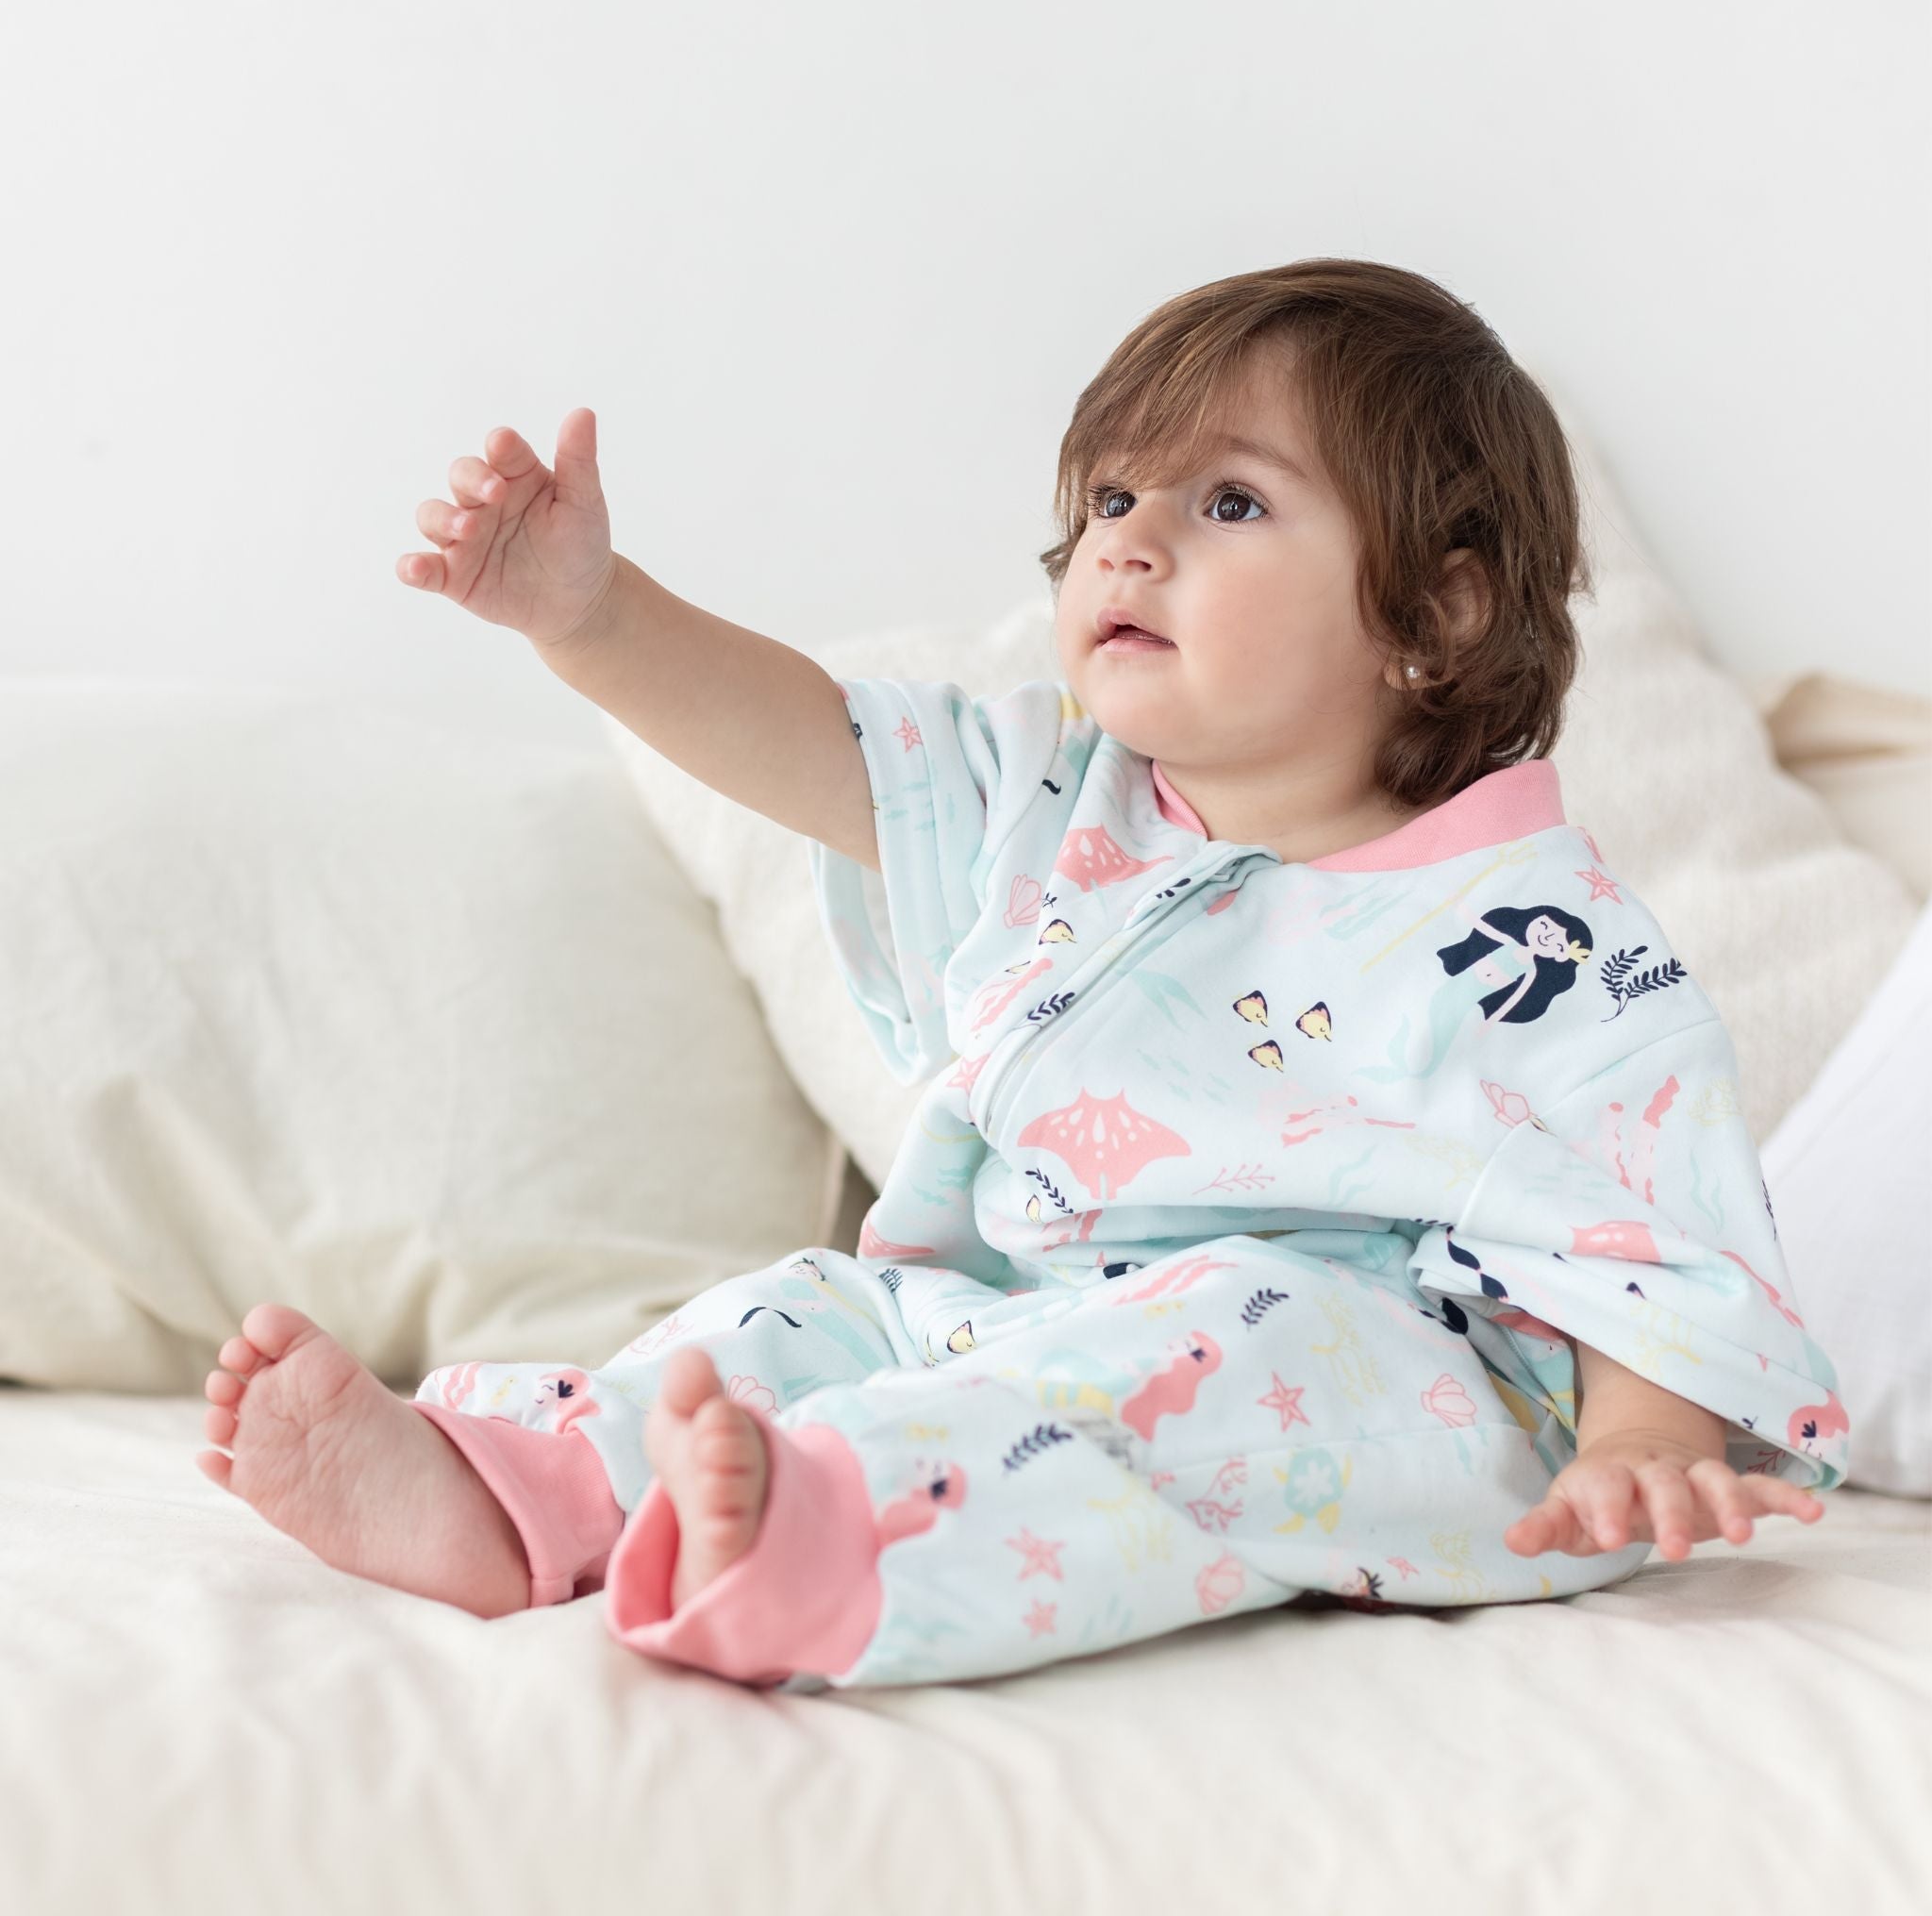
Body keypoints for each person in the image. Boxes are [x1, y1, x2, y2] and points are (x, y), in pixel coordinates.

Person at [195, 258, 1845, 1691]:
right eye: (1111, 502)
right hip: (1018, 1311)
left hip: (1376, 1382)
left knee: (1204, 1344)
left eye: (1229, 503)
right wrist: (591, 613)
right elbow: (805, 741)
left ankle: (827, 1540)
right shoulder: (1056, 804)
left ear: (1435, 607)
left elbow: (1638, 1211)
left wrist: (1645, 1444)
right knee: (812, 1309)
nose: (1126, 548)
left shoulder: (1525, 933)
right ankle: (509, 1490)